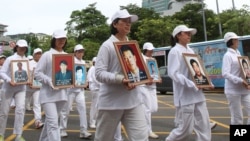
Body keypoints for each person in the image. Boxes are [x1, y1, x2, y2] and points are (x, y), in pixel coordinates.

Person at [94, 9, 148, 141]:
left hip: (133, 101)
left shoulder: (132, 46)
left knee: (141, 137)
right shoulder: (107, 46)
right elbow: (99, 73)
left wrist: (144, 78)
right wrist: (121, 79)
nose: (128, 24)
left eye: (129, 22)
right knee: (103, 138)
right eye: (124, 21)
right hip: (111, 103)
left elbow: (138, 70)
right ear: (115, 24)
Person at [166, 25, 211, 141]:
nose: (189, 35)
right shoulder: (174, 51)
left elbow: (198, 71)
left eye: (189, 33)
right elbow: (173, 73)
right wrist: (192, 84)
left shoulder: (190, 50)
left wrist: (206, 83)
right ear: (178, 35)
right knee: (185, 129)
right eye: (186, 33)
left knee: (204, 126)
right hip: (185, 96)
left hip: (198, 94)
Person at [34, 29, 69, 141]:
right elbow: (37, 73)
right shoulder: (47, 55)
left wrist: (71, 81)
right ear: (54, 40)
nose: (62, 41)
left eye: (63, 39)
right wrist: (49, 81)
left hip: (62, 95)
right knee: (54, 124)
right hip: (48, 95)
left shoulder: (67, 56)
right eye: (59, 39)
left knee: (51, 122)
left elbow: (68, 74)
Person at [59, 44, 92, 139]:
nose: (81, 53)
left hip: (80, 90)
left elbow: (83, 75)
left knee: (83, 110)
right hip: (69, 90)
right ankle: (62, 129)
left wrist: (85, 83)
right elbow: (65, 72)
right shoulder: (70, 60)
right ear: (75, 52)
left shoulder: (83, 62)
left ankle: (83, 131)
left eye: (82, 51)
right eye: (79, 51)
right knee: (66, 110)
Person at [0, 39, 29, 141]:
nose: (22, 49)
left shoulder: (26, 60)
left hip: (21, 88)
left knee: (20, 110)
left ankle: (18, 135)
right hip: (8, 88)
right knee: (4, 112)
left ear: (26, 48)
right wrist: (9, 80)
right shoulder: (9, 59)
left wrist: (29, 81)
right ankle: (1, 134)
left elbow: (28, 75)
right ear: (16, 47)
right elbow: (2, 72)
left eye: (24, 47)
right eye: (20, 47)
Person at [222, 32, 250, 125]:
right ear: (231, 41)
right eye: (235, 39)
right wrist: (240, 81)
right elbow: (225, 73)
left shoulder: (238, 53)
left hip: (244, 89)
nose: (237, 41)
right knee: (237, 117)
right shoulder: (228, 55)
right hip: (233, 91)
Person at [141, 42, 160, 139]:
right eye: (149, 50)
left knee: (154, 108)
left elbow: (155, 72)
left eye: (152, 49)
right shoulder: (140, 58)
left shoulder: (153, 60)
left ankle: (143, 125)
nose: (151, 51)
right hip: (144, 86)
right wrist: (145, 80)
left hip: (153, 86)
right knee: (147, 109)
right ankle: (148, 130)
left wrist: (158, 78)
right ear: (145, 50)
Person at [25, 48, 44, 129]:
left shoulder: (43, 64)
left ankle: (38, 121)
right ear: (33, 55)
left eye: (40, 54)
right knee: (22, 105)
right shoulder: (28, 63)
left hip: (37, 88)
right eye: (37, 54)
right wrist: (27, 81)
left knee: (37, 104)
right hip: (27, 87)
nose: (38, 55)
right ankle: (19, 122)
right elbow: (25, 74)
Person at [86, 57, 99, 129]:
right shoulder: (94, 69)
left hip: (97, 89)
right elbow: (96, 79)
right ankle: (92, 122)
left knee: (97, 106)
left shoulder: (92, 68)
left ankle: (94, 121)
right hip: (96, 89)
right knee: (95, 106)